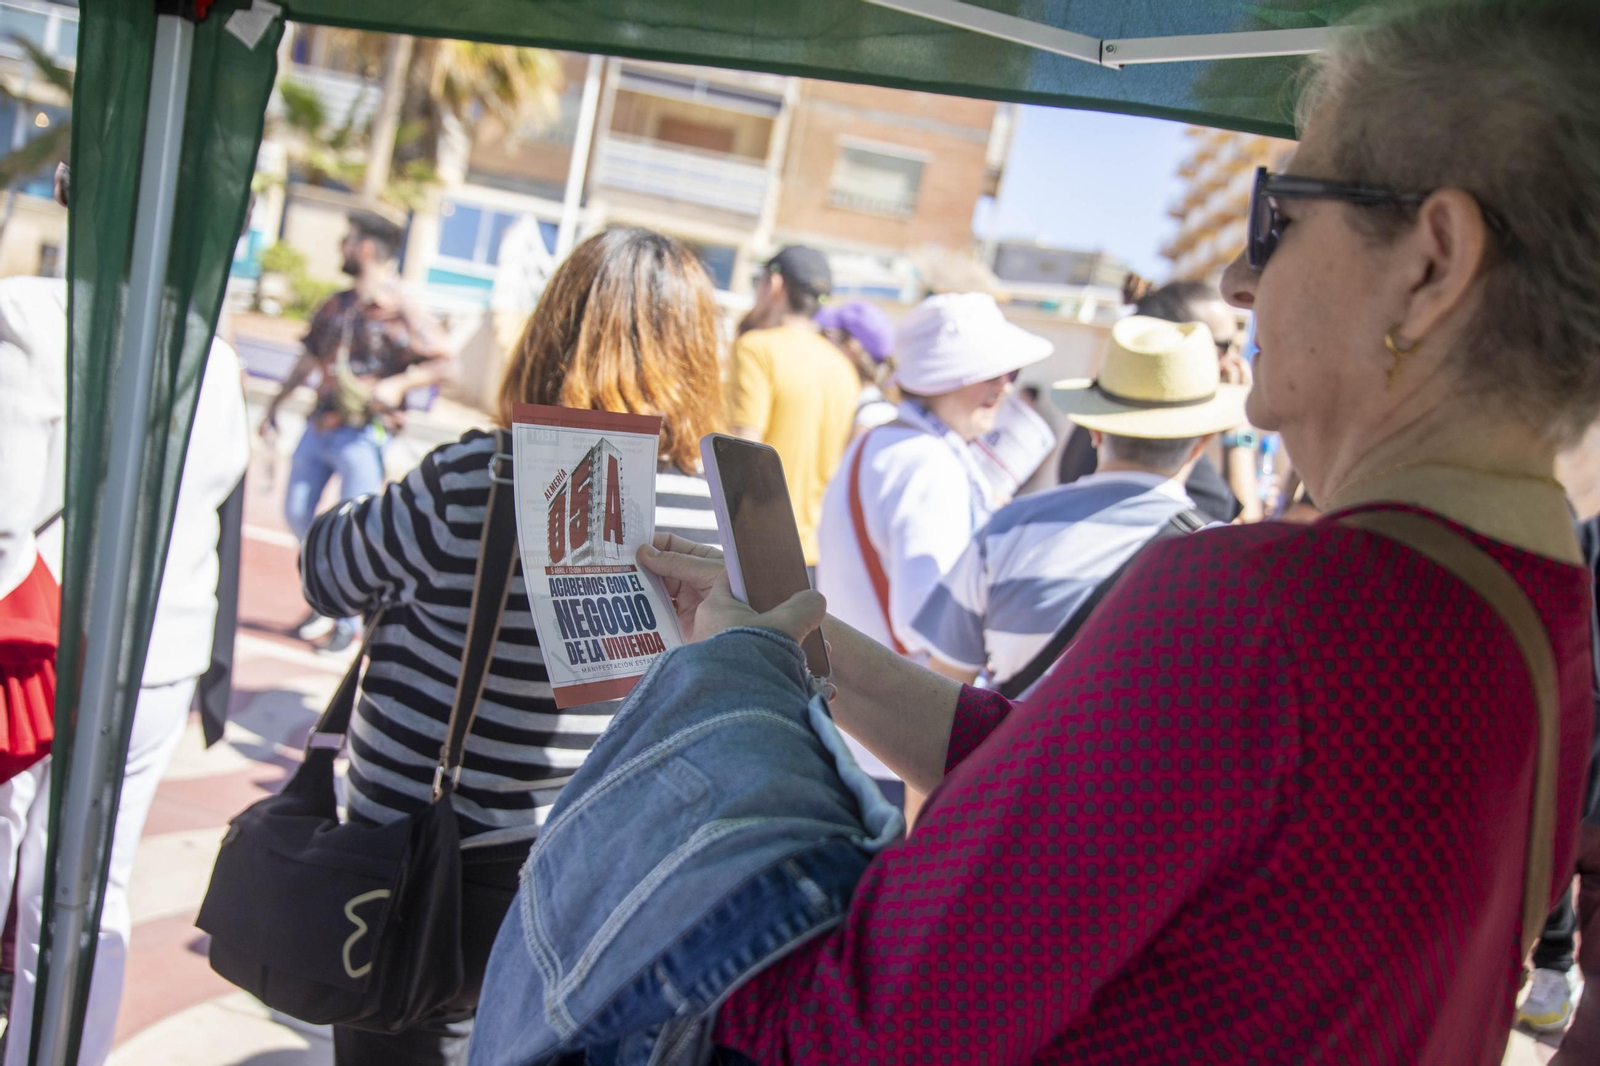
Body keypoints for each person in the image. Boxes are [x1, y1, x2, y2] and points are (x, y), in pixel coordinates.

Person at [628, 2, 1600, 1060]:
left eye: (1275, 214)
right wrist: (790, 642)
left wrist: (721, 725)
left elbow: (862, 1026)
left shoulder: (1256, 611)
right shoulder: (1547, 621)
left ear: (1429, 263)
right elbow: (1092, 793)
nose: (1239, 278)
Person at [298, 227, 722, 1063]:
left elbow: (325, 576)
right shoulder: (708, 520)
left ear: (549, 334)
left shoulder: (471, 477)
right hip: (580, 886)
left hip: (399, 861)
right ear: (695, 354)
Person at [0, 263, 250, 1063]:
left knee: (16, 852)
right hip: (159, 642)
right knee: (86, 889)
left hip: (38, 637)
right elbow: (218, 487)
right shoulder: (207, 347)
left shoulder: (32, 310)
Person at [912, 315, 1246, 694]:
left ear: (1094, 428)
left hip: (1022, 753)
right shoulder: (1227, 564)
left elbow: (941, 697)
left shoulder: (1006, 530)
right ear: (1201, 442)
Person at [815, 292, 1050, 806]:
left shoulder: (882, 441)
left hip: (862, 730)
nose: (1006, 386)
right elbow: (930, 622)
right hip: (903, 748)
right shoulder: (928, 463)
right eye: (995, 372)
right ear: (953, 378)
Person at [259, 210, 453, 653]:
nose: (341, 248)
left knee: (356, 529)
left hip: (364, 433)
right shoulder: (337, 304)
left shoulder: (402, 307)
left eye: (347, 240)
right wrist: (275, 405)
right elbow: (309, 359)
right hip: (320, 426)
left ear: (365, 248)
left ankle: (344, 618)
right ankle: (327, 591)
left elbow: (447, 362)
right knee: (297, 512)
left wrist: (398, 384)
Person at [1058, 279, 1256, 522]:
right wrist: (1239, 429)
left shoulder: (1108, 408)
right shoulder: (1164, 435)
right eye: (1226, 346)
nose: (1236, 362)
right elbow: (1243, 529)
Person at [727, 246, 860, 572]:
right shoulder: (844, 368)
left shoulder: (757, 349)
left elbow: (743, 454)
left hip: (755, 547)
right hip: (813, 556)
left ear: (774, 284)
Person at [814, 300, 898, 437]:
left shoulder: (872, 419)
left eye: (825, 334)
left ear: (850, 349)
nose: (817, 342)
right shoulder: (858, 406)